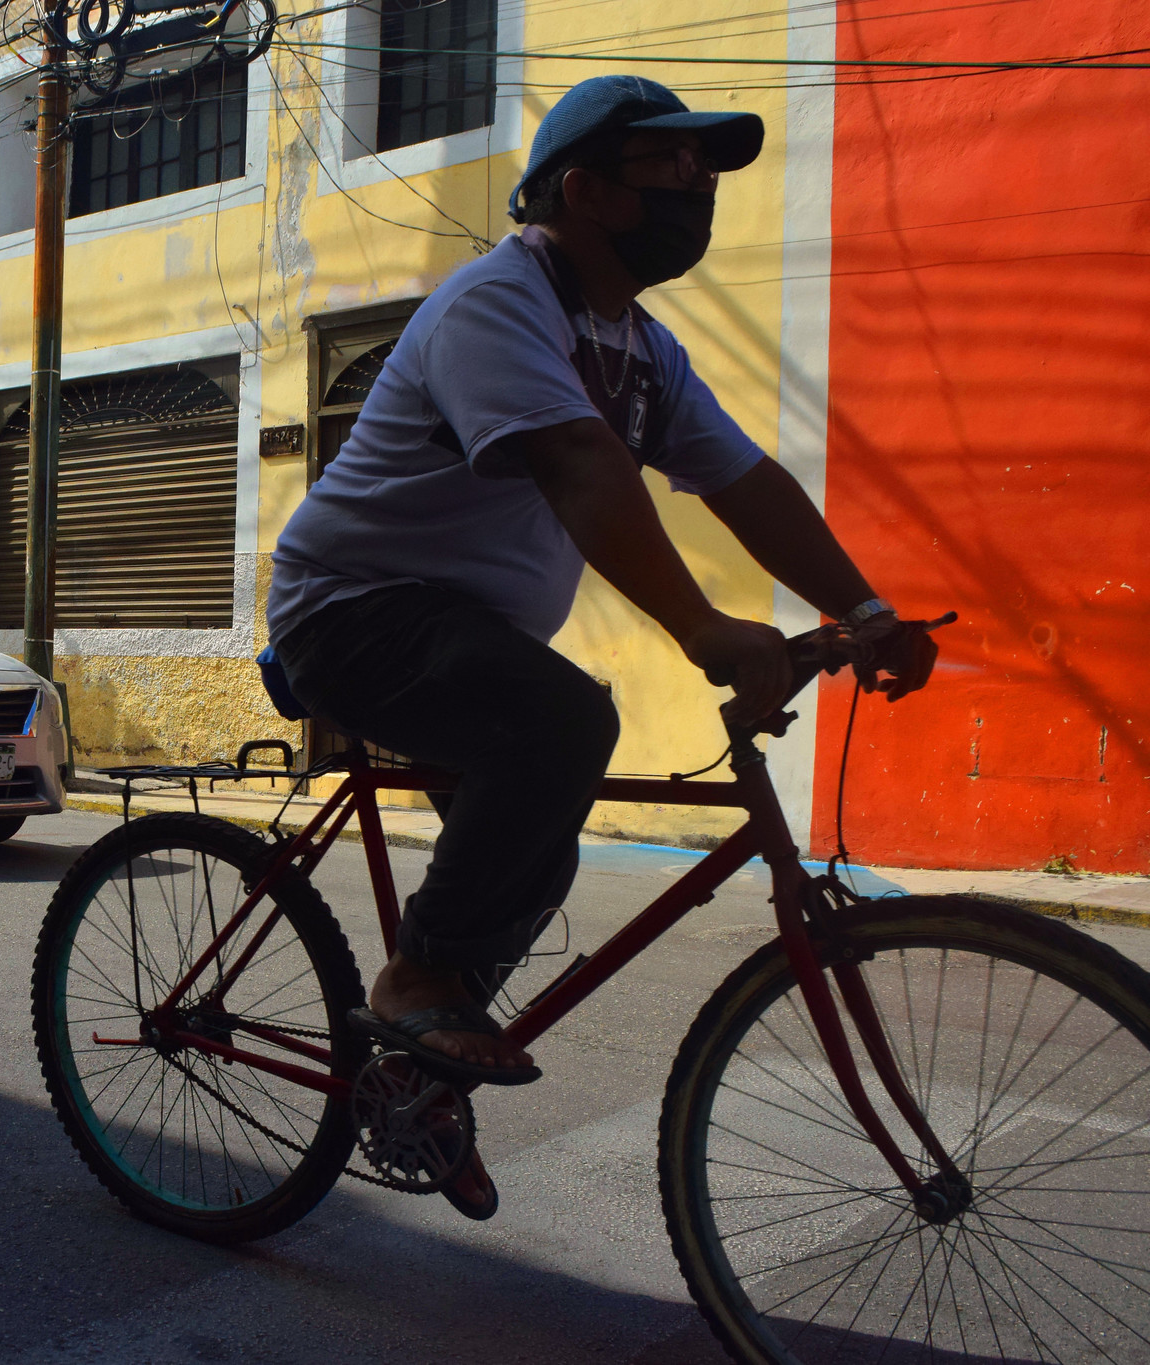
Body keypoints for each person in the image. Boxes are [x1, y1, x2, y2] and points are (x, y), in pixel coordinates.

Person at [265, 75, 937, 1087]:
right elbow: (579, 463)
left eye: (706, 167)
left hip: (468, 638)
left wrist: (866, 610)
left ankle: (412, 1076)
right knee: (563, 722)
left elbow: (745, 482)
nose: (699, 183)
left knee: (535, 851)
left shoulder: (641, 347)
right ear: (584, 190)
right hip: (348, 613)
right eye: (674, 162)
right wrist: (702, 628)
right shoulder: (496, 302)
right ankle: (415, 982)